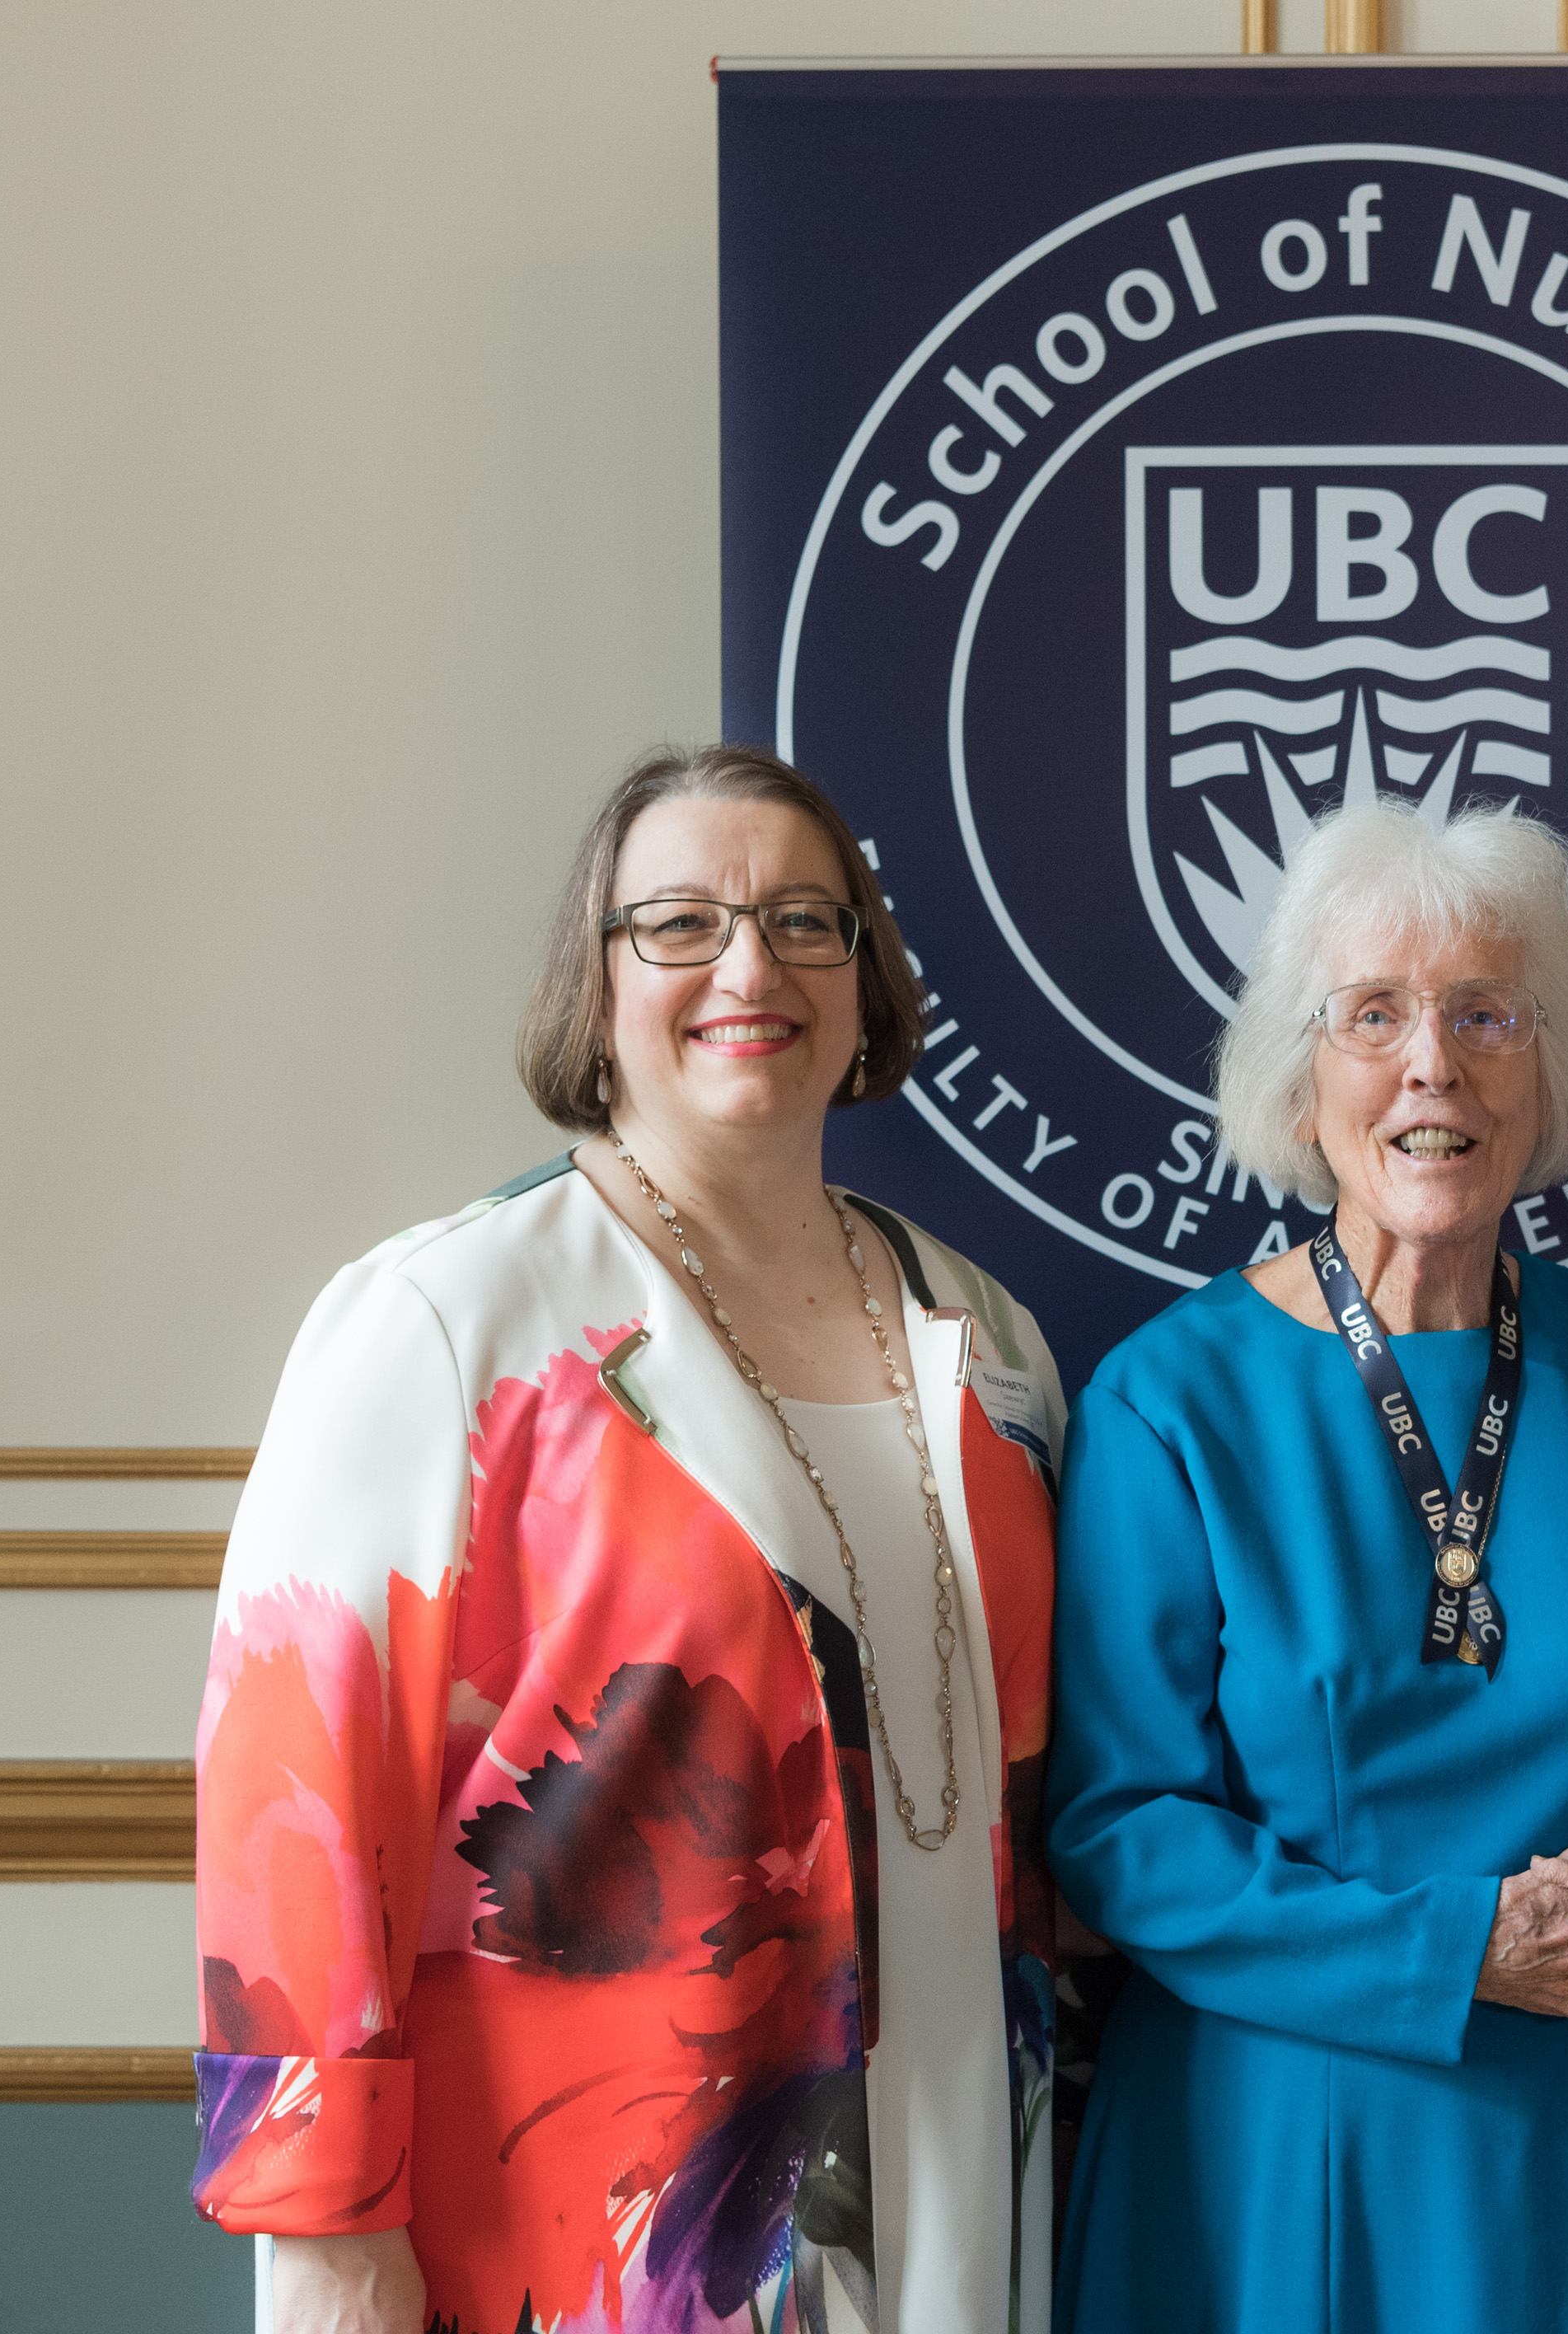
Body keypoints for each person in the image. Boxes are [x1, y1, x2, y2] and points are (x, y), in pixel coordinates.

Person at [190, 745, 1070, 2334]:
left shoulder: (982, 1327)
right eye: (680, 923)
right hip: (607, 2218)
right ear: (594, 989)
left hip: (964, 2153)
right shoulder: (449, 1321)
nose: (752, 965)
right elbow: (298, 1795)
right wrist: (322, 2233)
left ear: (866, 988)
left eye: (810, 921)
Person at [1046, 801, 1568, 2334]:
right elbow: (1119, 1827)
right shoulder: (1171, 1399)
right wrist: (1461, 1954)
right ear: (1302, 1084)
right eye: (1373, 1015)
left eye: (1485, 1015)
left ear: (1546, 1070)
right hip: (1287, 2142)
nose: (1431, 1062)